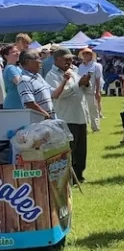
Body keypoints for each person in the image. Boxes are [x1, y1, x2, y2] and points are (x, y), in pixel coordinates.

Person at [45, 48, 89, 181]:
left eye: (71, 59)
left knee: (81, 150)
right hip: (67, 117)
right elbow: (59, 94)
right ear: (57, 59)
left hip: (80, 115)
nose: (70, 62)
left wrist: (86, 82)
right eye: (66, 59)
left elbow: (82, 88)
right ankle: (68, 177)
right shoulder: (51, 75)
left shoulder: (74, 71)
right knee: (70, 149)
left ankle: (79, 175)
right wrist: (78, 84)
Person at [16, 50, 53, 117]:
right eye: (37, 60)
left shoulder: (38, 76)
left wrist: (65, 80)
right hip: (39, 122)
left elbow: (53, 93)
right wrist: (46, 116)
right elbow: (29, 103)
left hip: (48, 120)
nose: (40, 62)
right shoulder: (24, 80)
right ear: (28, 62)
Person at [77, 47, 102, 131]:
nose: (85, 55)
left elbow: (98, 79)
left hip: (91, 90)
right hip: (81, 90)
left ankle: (95, 127)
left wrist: (98, 91)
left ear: (91, 55)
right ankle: (85, 128)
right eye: (84, 54)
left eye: (87, 54)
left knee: (93, 110)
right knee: (83, 110)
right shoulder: (80, 66)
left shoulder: (96, 66)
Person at [1, 44, 22, 109]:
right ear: (6, 56)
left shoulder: (16, 67)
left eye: (17, 51)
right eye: (13, 52)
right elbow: (20, 83)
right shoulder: (11, 68)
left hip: (16, 103)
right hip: (14, 104)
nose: (17, 53)